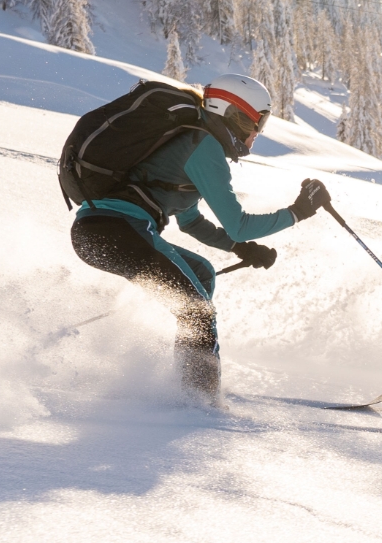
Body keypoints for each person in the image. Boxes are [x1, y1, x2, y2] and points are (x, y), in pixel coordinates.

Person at [70, 73, 327, 402]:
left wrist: (239, 248)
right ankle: (199, 400)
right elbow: (240, 224)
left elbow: (190, 221)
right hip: (121, 230)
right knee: (196, 311)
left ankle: (192, 382)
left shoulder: (189, 143)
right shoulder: (202, 144)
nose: (254, 135)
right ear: (230, 113)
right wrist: (299, 211)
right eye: (253, 123)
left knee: (201, 274)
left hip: (100, 231)